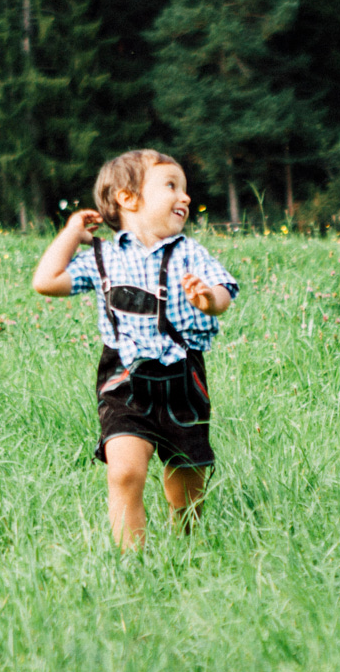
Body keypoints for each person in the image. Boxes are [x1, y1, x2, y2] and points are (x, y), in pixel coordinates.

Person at [31, 150, 239, 549]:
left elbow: (223, 294)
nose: (185, 197)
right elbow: (46, 281)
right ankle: (133, 562)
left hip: (182, 377)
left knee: (189, 475)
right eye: (171, 186)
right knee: (124, 472)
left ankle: (187, 538)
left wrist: (207, 300)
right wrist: (72, 232)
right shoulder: (101, 257)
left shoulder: (189, 253)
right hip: (124, 379)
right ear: (129, 198)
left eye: (185, 188)